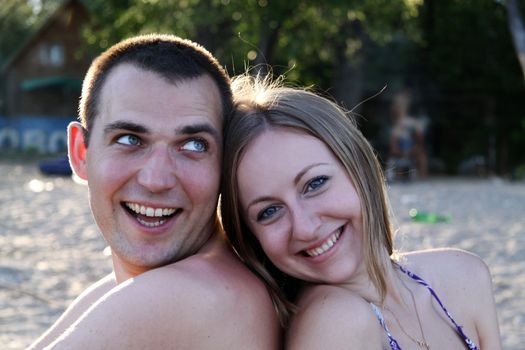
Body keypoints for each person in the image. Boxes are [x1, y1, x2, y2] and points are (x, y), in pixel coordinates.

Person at [28, 35, 279, 349]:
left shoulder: (180, 296)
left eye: (193, 145)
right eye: (129, 140)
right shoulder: (117, 292)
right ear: (81, 153)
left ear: (226, 165)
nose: (155, 180)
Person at [220, 74, 502, 349]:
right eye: (269, 211)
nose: (304, 227)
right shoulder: (336, 323)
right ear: (251, 237)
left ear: (359, 168)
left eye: (315, 184)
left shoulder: (464, 274)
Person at [387, 90, 428, 181]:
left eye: (399, 106)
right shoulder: (395, 127)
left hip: (412, 149)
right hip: (400, 149)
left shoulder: (412, 123)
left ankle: (422, 177)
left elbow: (419, 142)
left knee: (421, 155)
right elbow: (393, 146)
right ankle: (399, 175)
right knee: (394, 157)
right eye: (396, 106)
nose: (396, 109)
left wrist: (411, 150)